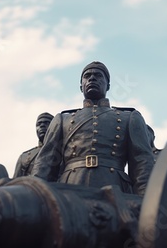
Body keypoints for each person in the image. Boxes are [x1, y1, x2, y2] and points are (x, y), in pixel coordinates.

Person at [30, 61, 154, 196]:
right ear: (81, 86)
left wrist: (146, 202)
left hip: (115, 188)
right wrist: (32, 197)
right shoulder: (62, 119)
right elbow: (45, 163)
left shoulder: (129, 117)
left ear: (108, 86)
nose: (92, 78)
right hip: (70, 188)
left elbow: (142, 163)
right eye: (87, 76)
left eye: (98, 75)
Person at [14, 112, 54, 178]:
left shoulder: (63, 152)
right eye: (38, 124)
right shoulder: (25, 157)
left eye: (47, 123)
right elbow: (15, 183)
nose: (42, 125)